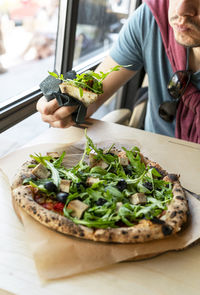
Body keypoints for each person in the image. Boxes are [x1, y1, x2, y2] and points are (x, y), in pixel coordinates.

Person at [36, 0, 200, 143]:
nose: (181, 9)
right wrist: (63, 104)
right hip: (153, 162)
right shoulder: (151, 18)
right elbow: (92, 96)